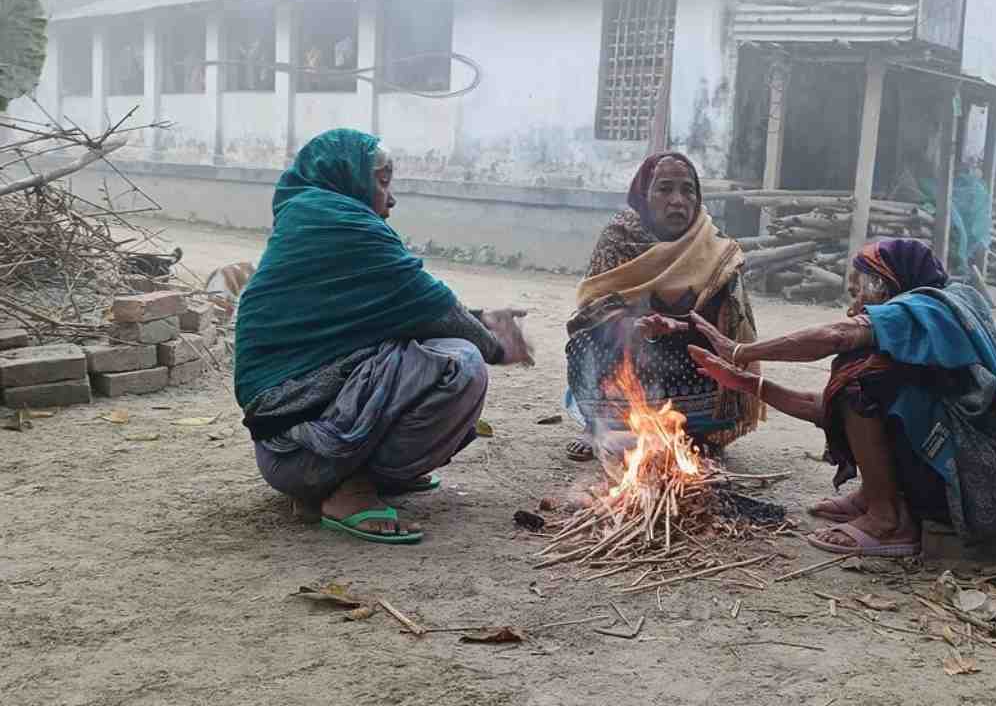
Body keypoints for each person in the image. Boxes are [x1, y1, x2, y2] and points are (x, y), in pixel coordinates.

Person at [234, 129, 532, 545]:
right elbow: (430, 305)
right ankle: (349, 488)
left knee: (437, 349)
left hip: (292, 448)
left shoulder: (312, 217)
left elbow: (407, 308)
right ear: (347, 176)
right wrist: (497, 346)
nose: (390, 199)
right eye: (382, 181)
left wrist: (481, 318)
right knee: (461, 364)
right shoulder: (341, 225)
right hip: (301, 451)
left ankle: (333, 484)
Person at [685, 239, 996, 556]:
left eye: (856, 291)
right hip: (974, 466)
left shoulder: (928, 307)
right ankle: (875, 495)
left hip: (985, 481)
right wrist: (746, 384)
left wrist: (740, 351)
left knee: (861, 376)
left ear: (886, 285)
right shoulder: (927, 316)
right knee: (863, 380)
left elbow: (838, 337)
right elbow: (828, 409)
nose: (853, 306)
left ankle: (888, 519)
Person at [564, 152, 764, 461]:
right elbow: (593, 306)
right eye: (665, 189)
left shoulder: (716, 246)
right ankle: (599, 426)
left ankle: (695, 432)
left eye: (687, 190)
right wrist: (629, 326)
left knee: (720, 355)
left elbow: (733, 322)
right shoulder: (619, 237)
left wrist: (682, 326)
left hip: (690, 345)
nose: (677, 200)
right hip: (630, 344)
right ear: (644, 195)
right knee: (584, 342)